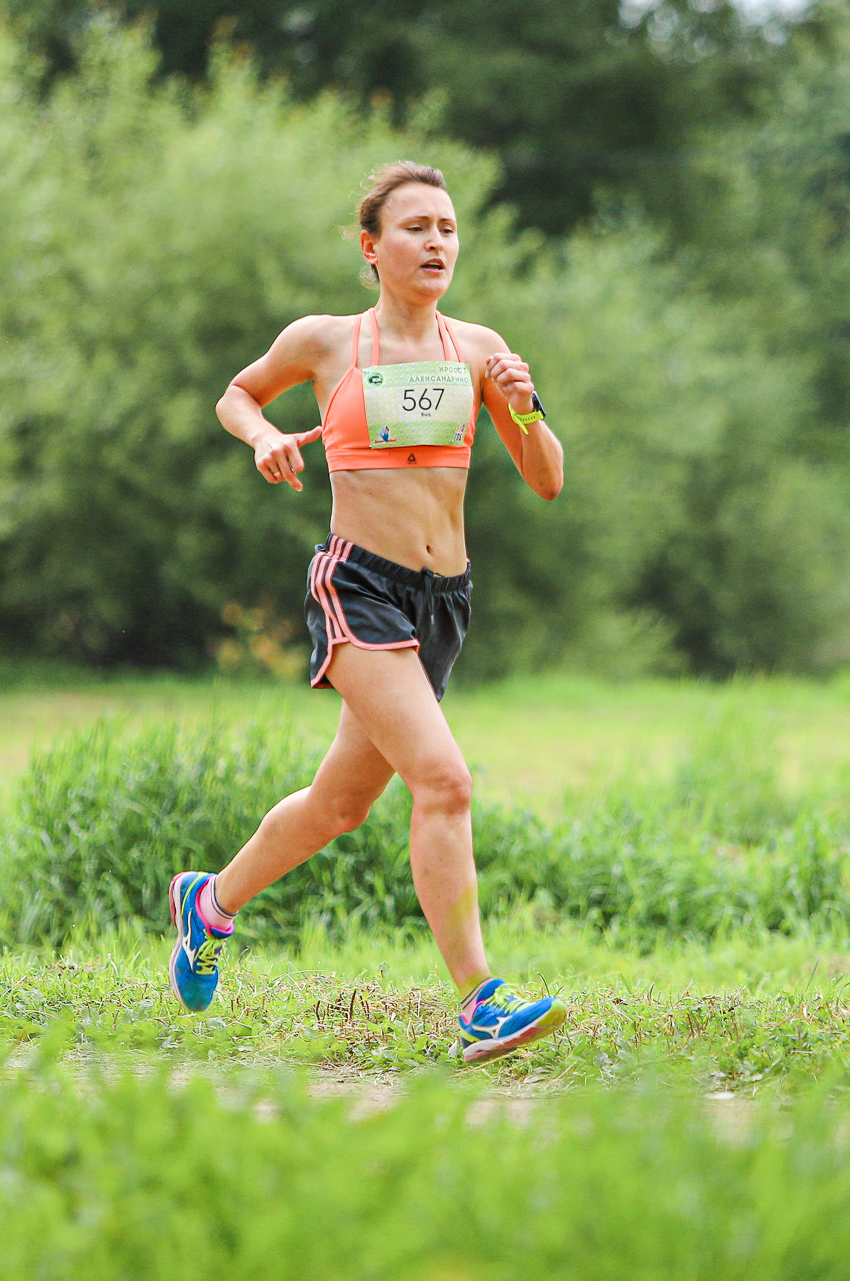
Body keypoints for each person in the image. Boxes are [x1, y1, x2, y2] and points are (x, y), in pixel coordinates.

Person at [178, 161, 567, 1064]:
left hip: (443, 601)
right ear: (372, 246)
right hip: (358, 586)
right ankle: (480, 999)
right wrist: (265, 436)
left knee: (340, 804)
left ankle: (209, 903)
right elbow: (238, 392)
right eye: (416, 227)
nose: (437, 243)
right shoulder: (326, 341)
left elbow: (547, 479)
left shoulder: (479, 349)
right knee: (445, 781)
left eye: (448, 228)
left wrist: (524, 408)